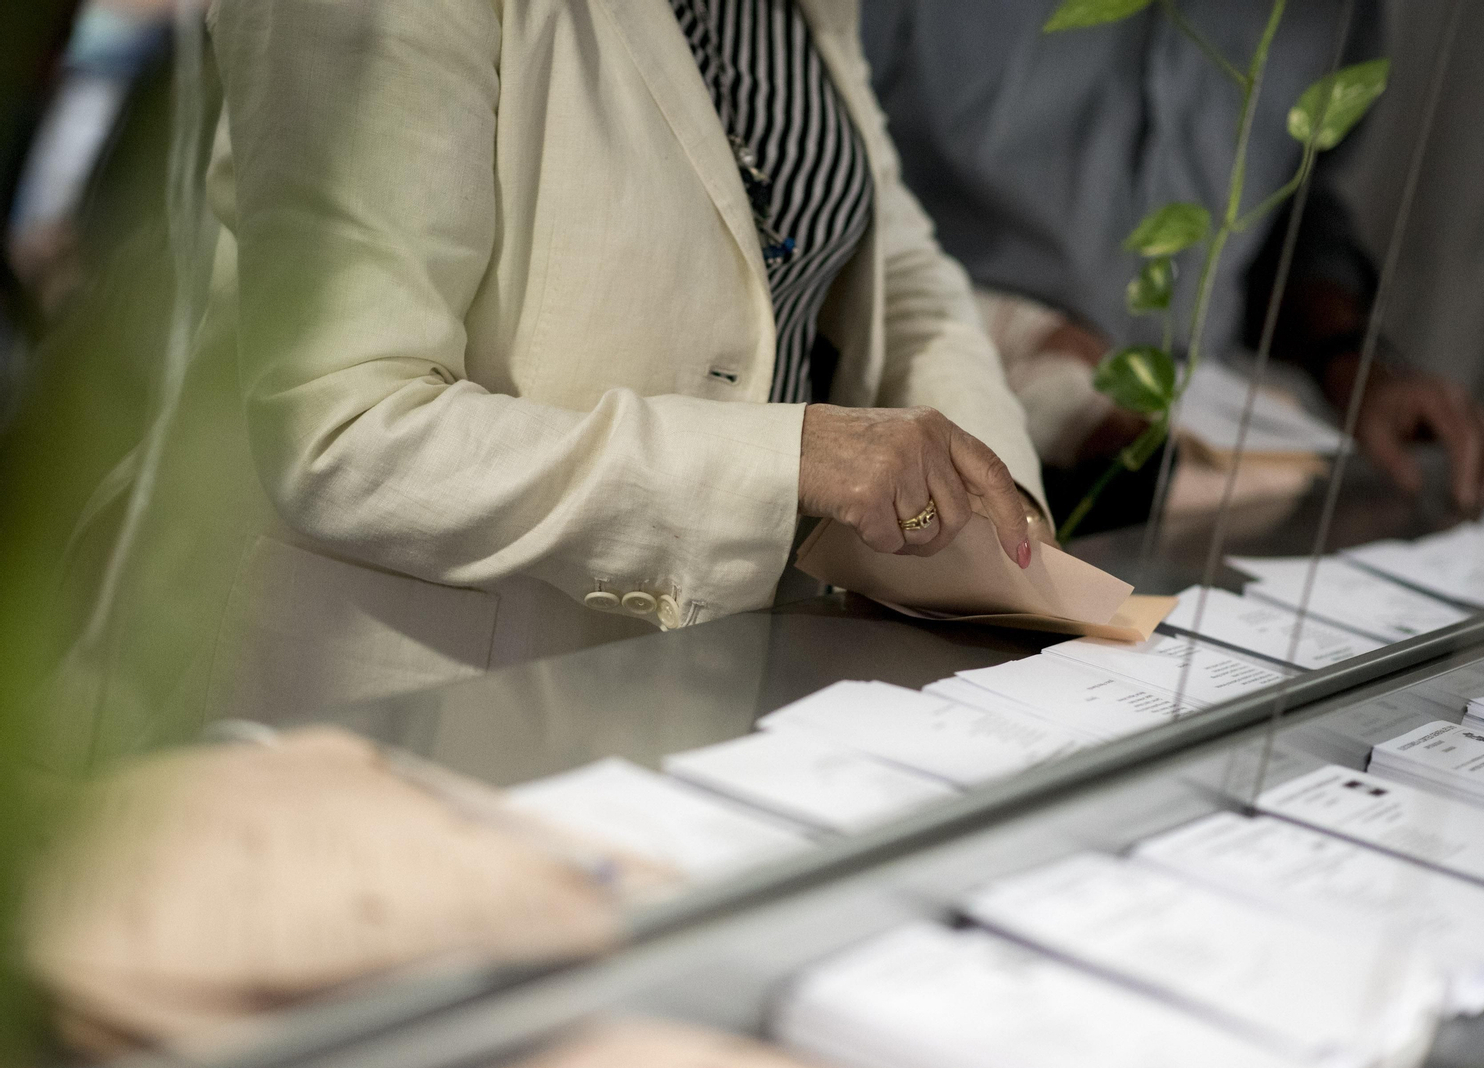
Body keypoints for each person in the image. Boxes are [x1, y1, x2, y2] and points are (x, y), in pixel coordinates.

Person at [70, 0, 1046, 747]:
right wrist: (783, 462)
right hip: (417, 715)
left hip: (716, 687)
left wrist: (993, 515)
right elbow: (343, 433)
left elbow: (899, 266)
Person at [860, 0, 1484, 527]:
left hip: (1186, 468)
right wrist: (1009, 330)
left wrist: (1349, 358)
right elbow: (812, 184)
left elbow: (1288, 207)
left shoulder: (1325, 16)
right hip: (940, 431)